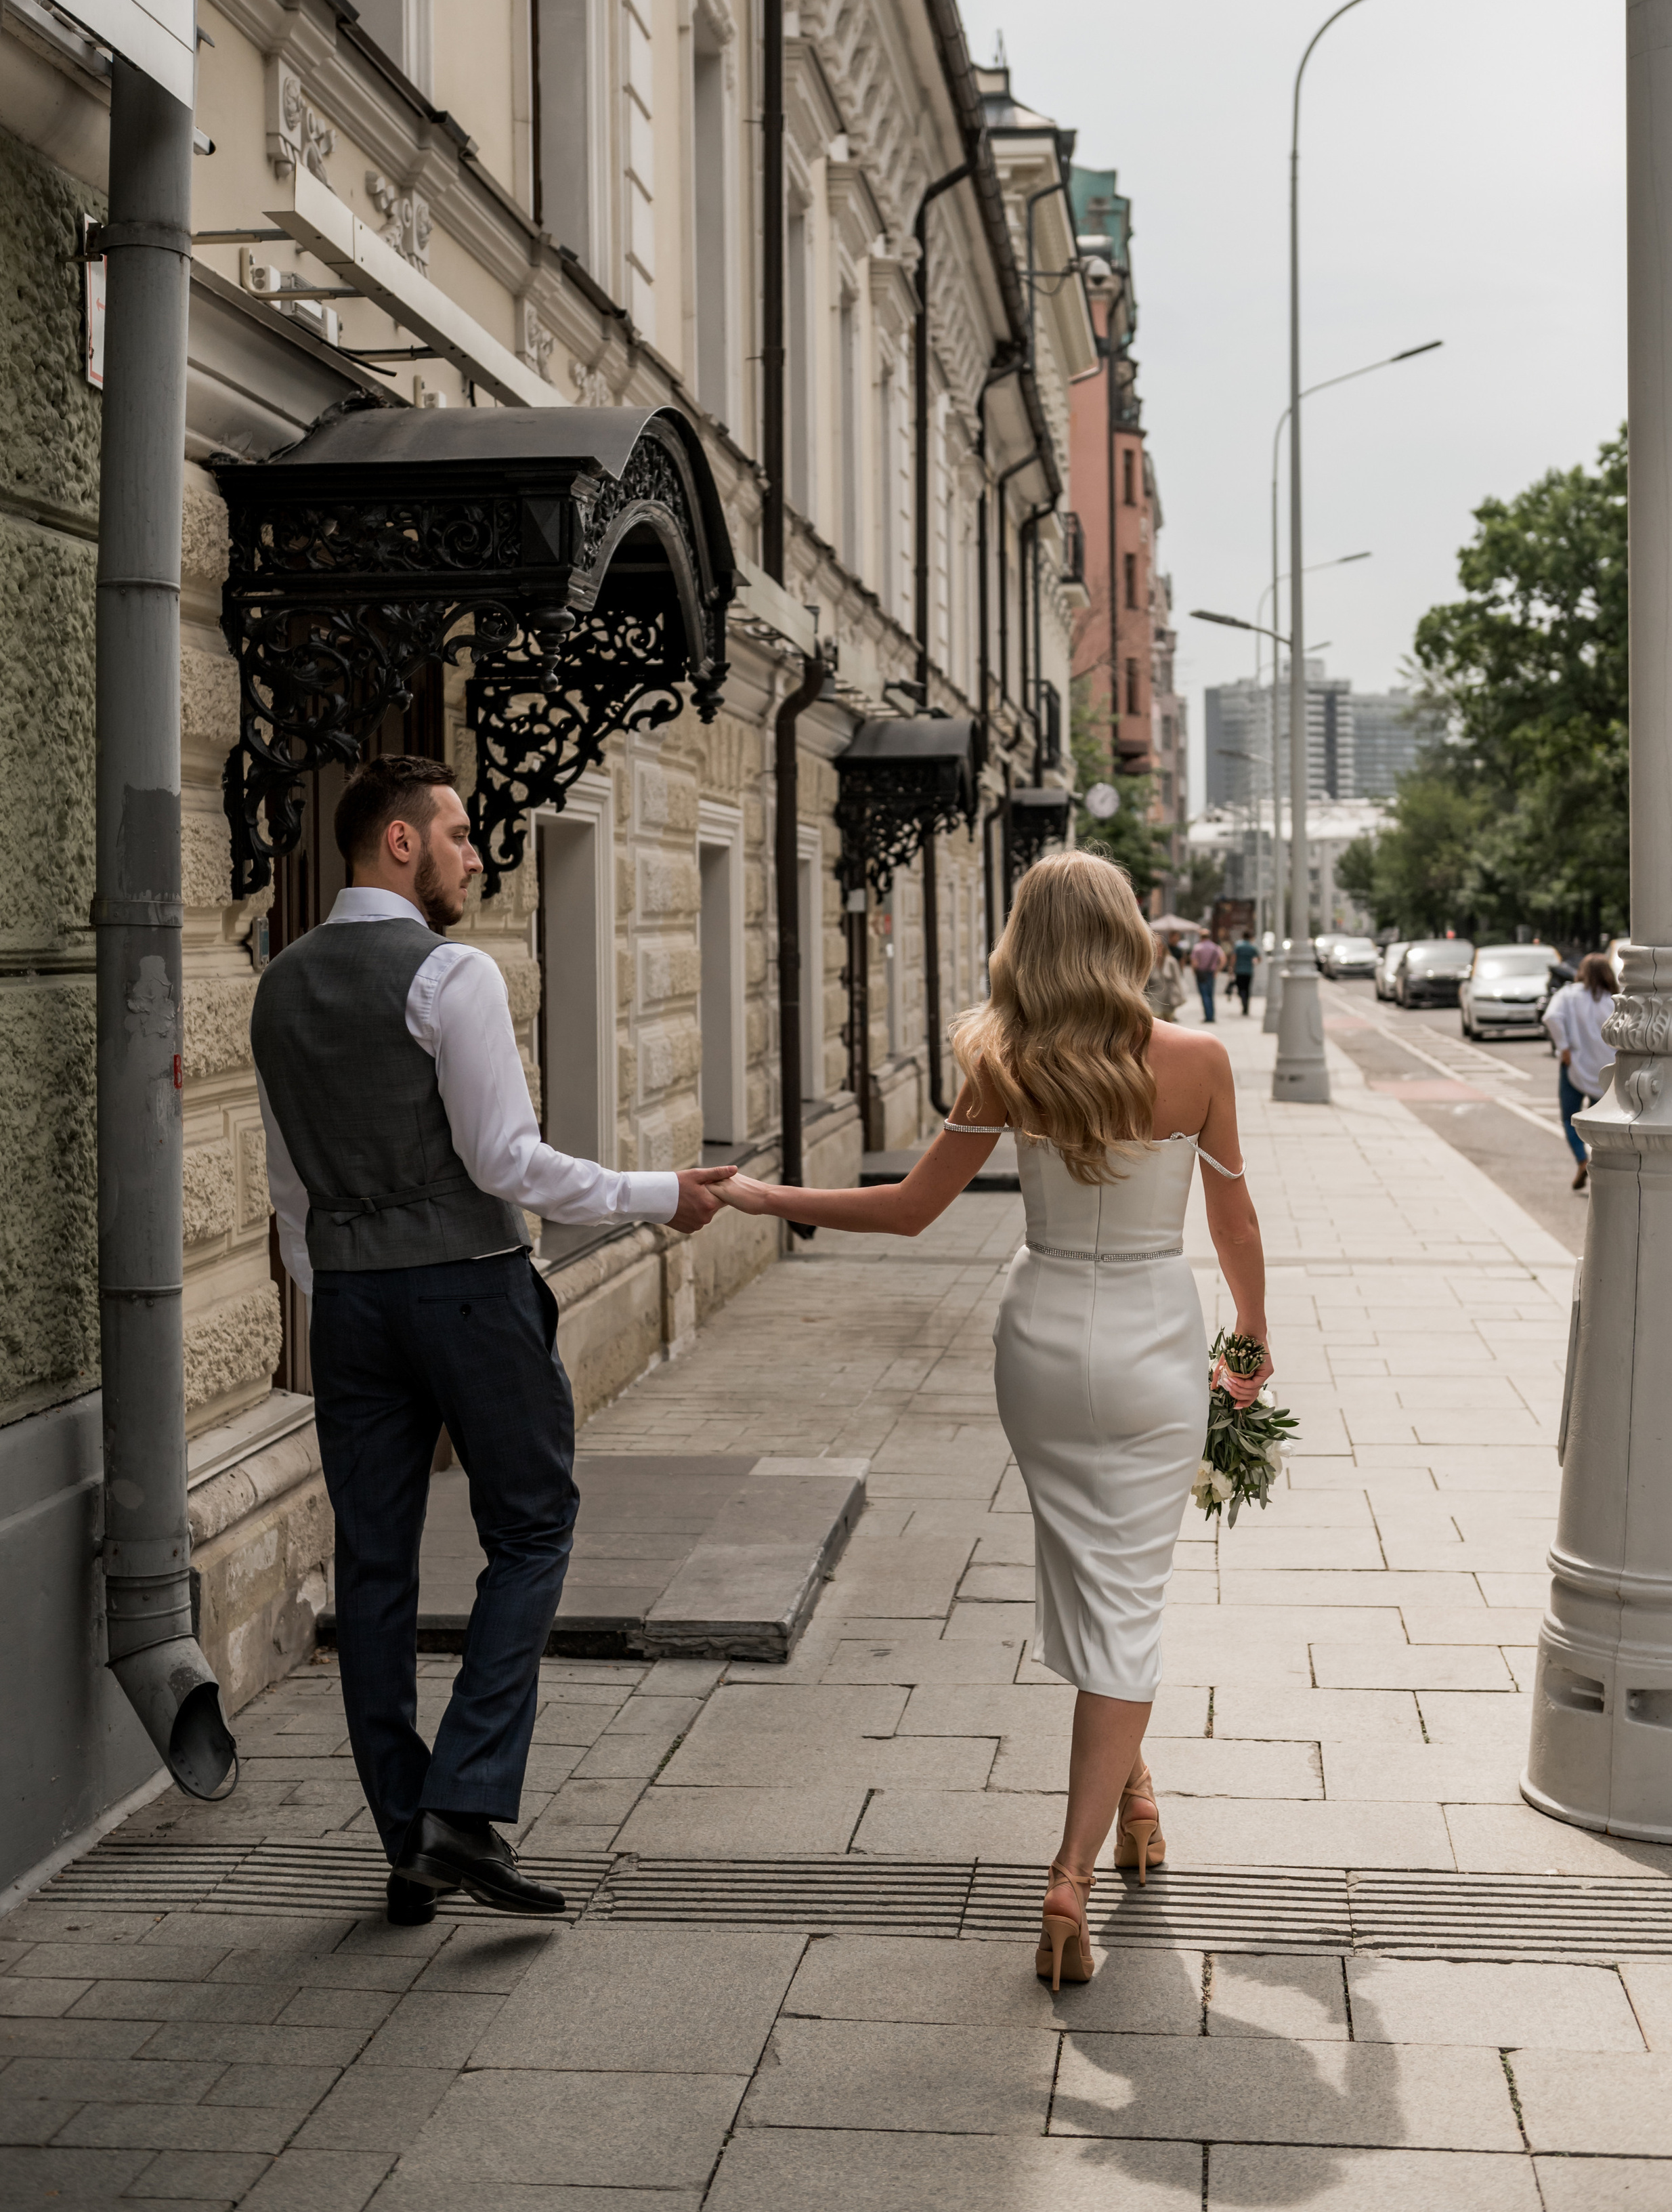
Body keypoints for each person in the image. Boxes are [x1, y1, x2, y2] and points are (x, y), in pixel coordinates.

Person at [714, 853, 1270, 1986]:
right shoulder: (1198, 1060)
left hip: (1042, 1339)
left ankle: (1135, 1793)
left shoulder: (1002, 1061)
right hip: (1154, 1341)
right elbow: (1234, 1221)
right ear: (1124, 936)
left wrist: (764, 1194)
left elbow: (909, 1209)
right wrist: (1249, 1344)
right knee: (1126, 1595)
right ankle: (1068, 1874)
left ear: (1028, 940)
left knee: (1085, 1570)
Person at [251, 757, 735, 1923]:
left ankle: (407, 1836)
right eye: (460, 833)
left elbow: (288, 1189)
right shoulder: (450, 972)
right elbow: (506, 1161)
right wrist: (660, 1193)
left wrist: (339, 1291)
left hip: (350, 1303)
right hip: (469, 1289)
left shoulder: (278, 985)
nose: (477, 854)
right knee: (532, 1524)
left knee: (374, 1564)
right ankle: (463, 1805)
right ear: (399, 842)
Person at [1543, 950, 1618, 1193]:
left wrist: (1563, 1047)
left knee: (1569, 1117)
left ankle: (1581, 1159)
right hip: (1607, 1069)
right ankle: (1600, 1164)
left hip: (1574, 1064)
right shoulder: (1615, 1000)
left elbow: (1552, 1017)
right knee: (1601, 1121)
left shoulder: (1568, 995)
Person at [1144, 927, 1185, 1021]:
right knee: (1155, 1022)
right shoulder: (1148, 963)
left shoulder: (1171, 962)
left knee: (1168, 1023)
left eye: (1159, 946)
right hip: (1153, 998)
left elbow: (1177, 980)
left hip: (1168, 998)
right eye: (1154, 946)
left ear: (1163, 947)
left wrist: (1181, 996)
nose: (1157, 949)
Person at [1191, 928, 1226, 1023]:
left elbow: (1194, 962)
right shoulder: (1216, 947)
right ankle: (1211, 1015)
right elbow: (1223, 960)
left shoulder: (1197, 947)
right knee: (1210, 995)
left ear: (1201, 937)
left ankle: (1208, 1016)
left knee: (1204, 995)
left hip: (1201, 974)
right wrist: (1217, 970)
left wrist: (1194, 972)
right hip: (1211, 973)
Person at [1230, 931, 1259, 1016]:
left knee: (1240, 989)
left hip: (1239, 971)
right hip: (1249, 971)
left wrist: (1231, 968)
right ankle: (1246, 1006)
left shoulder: (1238, 946)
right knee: (1247, 989)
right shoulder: (1252, 947)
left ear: (1242, 936)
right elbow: (1259, 959)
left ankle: (1243, 1002)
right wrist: (1254, 963)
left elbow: (1234, 958)